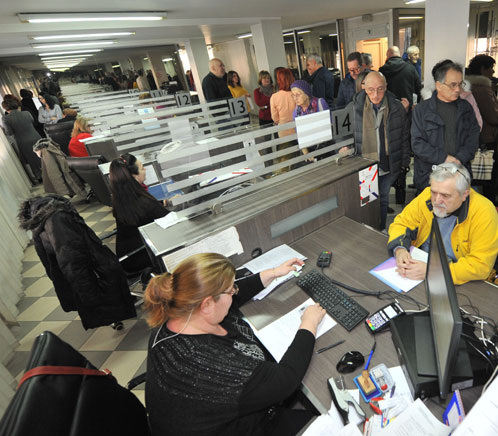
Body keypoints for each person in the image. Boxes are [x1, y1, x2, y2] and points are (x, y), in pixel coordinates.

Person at [144, 252, 326, 436]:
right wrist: (309, 323)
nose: (235, 292)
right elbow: (285, 380)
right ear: (207, 304)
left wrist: (272, 273)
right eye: (231, 290)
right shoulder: (210, 364)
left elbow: (226, 298)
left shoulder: (181, 315)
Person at [18, 194, 136, 330]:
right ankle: (114, 311)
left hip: (84, 270)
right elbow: (72, 261)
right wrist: (90, 294)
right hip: (94, 272)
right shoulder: (58, 219)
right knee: (106, 292)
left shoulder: (40, 221)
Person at [388, 162, 498, 285]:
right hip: (421, 264)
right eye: (434, 192)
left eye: (445, 195)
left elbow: (480, 266)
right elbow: (401, 223)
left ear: (464, 194)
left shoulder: (484, 212)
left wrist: (433, 271)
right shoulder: (426, 196)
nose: (437, 201)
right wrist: (400, 249)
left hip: (458, 277)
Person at [347, 71, 411, 230]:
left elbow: (404, 137)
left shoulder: (396, 108)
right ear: (364, 87)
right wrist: (344, 146)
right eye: (371, 90)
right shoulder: (354, 107)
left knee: (383, 199)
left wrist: (404, 163)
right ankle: (368, 230)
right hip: (365, 165)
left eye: (380, 89)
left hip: (387, 164)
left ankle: (380, 228)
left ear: (386, 87)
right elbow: (343, 133)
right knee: (367, 201)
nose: (375, 95)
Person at [411, 60, 479, 191]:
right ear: (439, 85)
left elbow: (473, 138)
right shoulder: (422, 110)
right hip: (430, 175)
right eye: (453, 85)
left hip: (459, 173)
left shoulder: (466, 108)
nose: (458, 89)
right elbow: (417, 144)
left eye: (460, 84)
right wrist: (444, 158)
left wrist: (459, 159)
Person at [109, 153, 169, 272]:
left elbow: (144, 210)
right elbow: (169, 218)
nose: (145, 170)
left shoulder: (121, 196)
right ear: (134, 176)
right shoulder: (144, 202)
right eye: (142, 168)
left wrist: (163, 202)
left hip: (127, 254)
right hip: (140, 255)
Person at [466, 54, 498, 201]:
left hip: (470, 138)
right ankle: (488, 207)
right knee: (489, 177)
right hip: (486, 137)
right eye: (491, 68)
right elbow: (494, 118)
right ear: (483, 69)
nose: (493, 72)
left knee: (471, 176)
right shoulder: (482, 90)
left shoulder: (467, 87)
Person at [3, 99, 42, 181]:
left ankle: (39, 176)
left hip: (23, 141)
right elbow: (32, 121)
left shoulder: (6, 118)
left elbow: (9, 132)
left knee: (31, 159)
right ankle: (50, 171)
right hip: (36, 136)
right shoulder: (26, 113)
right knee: (42, 156)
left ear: (5, 108)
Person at [291, 80, 329, 160]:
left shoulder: (320, 103)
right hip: (309, 149)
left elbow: (330, 125)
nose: (295, 98)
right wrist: (306, 154)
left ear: (307, 94)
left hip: (325, 147)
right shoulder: (296, 112)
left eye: (298, 94)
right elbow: (299, 136)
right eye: (293, 95)